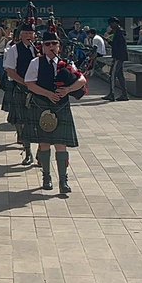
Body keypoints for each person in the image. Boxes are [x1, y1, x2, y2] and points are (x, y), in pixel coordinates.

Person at [24, 29, 85, 196]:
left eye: (54, 44)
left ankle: (63, 180)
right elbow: (29, 84)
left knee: (61, 144)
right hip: (42, 105)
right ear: (42, 47)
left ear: (59, 46)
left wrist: (68, 90)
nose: (51, 46)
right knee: (44, 144)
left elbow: (82, 80)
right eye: (47, 44)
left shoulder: (66, 63)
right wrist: (48, 94)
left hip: (61, 107)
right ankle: (46, 177)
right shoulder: (36, 63)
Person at [3, 22, 37, 164]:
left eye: (31, 33)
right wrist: (25, 82)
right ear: (21, 35)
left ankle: (41, 153)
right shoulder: (14, 50)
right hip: (21, 88)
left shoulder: (38, 49)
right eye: (26, 33)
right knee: (23, 121)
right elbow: (10, 70)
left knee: (38, 122)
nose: (29, 36)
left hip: (39, 90)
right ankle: (28, 152)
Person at [104, 16, 129, 102]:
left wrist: (108, 41)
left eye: (111, 24)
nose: (110, 26)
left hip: (118, 57)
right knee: (120, 76)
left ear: (115, 23)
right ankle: (124, 94)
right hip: (120, 57)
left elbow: (118, 46)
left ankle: (112, 94)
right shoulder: (119, 32)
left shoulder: (119, 33)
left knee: (112, 75)